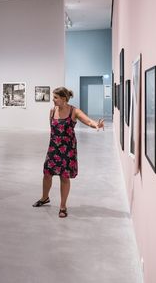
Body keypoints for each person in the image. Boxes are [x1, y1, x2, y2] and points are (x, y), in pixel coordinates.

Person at [33, 87, 104, 218]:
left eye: (55, 97)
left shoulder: (73, 111)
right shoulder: (52, 111)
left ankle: (63, 206)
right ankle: (44, 198)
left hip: (68, 149)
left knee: (64, 177)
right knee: (47, 174)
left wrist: (96, 125)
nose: (53, 100)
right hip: (53, 148)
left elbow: (87, 120)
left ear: (64, 98)